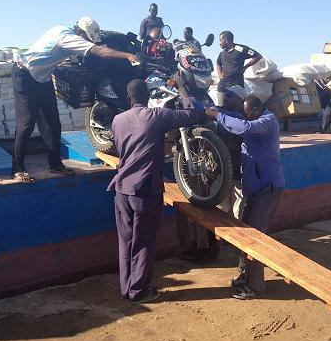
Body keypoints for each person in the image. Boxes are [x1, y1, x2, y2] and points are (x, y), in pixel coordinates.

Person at [108, 75, 202, 303]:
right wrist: (181, 89)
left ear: (129, 97)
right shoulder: (156, 115)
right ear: (148, 96)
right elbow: (191, 115)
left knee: (126, 241)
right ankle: (138, 291)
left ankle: (126, 289)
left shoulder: (118, 120)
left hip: (122, 189)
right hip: (145, 190)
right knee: (143, 242)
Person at [11, 17, 138, 183]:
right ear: (80, 32)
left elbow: (99, 47)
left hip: (42, 77)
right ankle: (17, 168)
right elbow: (100, 51)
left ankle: (55, 164)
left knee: (53, 122)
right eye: (86, 38)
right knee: (27, 122)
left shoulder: (64, 28)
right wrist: (127, 55)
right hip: (24, 74)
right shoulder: (68, 38)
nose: (86, 41)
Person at [206, 95, 285, 299]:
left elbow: (244, 127)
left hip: (267, 188)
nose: (246, 116)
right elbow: (236, 118)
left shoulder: (267, 121)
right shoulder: (254, 118)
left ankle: (255, 287)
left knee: (255, 238)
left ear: (257, 109)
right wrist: (206, 109)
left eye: (248, 112)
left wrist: (218, 117)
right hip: (257, 189)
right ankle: (245, 276)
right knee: (247, 233)